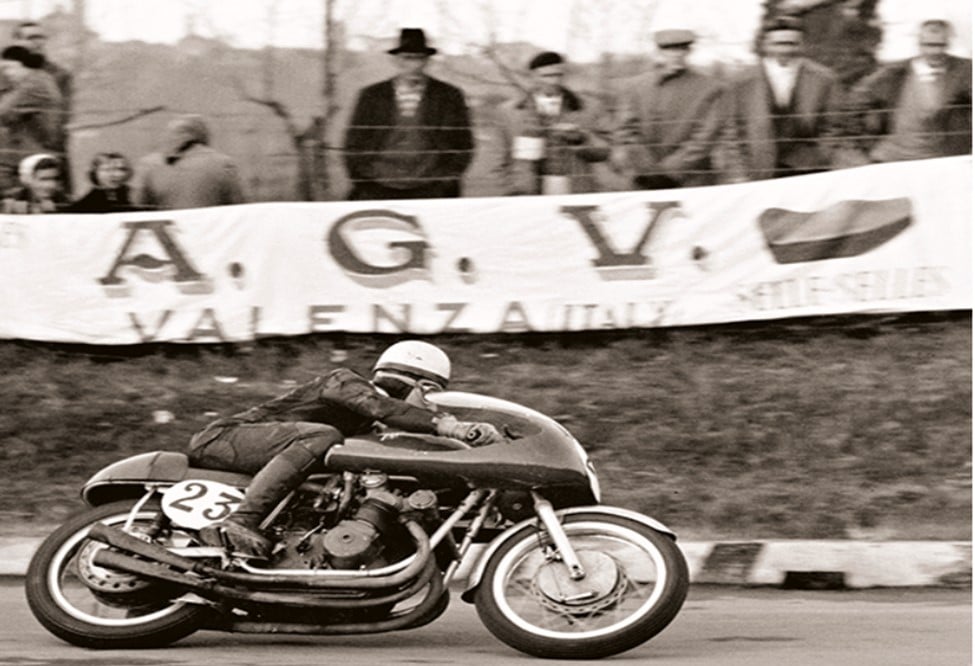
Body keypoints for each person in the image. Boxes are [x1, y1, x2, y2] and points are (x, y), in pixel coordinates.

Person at [190, 340, 505, 558]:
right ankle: (241, 520)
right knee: (322, 435)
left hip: (265, 451)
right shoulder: (344, 381)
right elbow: (381, 407)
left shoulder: (370, 424)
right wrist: (451, 425)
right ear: (418, 383)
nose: (427, 403)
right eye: (429, 393)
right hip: (224, 438)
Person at [343, 28, 474, 200]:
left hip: (432, 188)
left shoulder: (448, 96)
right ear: (397, 60)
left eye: (419, 58)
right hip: (378, 187)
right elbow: (354, 144)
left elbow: (464, 144)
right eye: (407, 58)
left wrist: (446, 180)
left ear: (427, 61)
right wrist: (365, 181)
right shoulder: (372, 95)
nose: (413, 65)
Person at [723, 15, 845, 180]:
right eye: (778, 44)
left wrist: (820, 157)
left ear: (802, 44)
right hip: (759, 172)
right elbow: (732, 133)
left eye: (792, 44)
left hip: (809, 172)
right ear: (765, 44)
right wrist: (739, 175)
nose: (785, 50)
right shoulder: (741, 82)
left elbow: (834, 126)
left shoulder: (824, 79)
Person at [614, 29, 727, 189]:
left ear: (689, 51)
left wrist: (670, 172)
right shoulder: (634, 87)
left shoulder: (712, 88)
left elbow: (706, 136)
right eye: (669, 49)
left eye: (682, 48)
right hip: (644, 180)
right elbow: (626, 131)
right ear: (658, 51)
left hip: (693, 181)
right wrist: (647, 170)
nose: (676, 54)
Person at [848, 19, 971, 163]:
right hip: (893, 157)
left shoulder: (964, 70)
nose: (935, 52)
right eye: (929, 45)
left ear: (949, 43)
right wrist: (866, 145)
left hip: (940, 160)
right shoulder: (894, 72)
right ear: (919, 43)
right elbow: (857, 101)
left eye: (940, 45)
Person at [495, 51, 609, 195]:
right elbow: (498, 162)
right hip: (527, 192)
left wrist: (581, 139)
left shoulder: (589, 107)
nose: (554, 81)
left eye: (558, 75)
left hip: (575, 189)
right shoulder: (508, 112)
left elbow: (607, 150)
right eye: (547, 76)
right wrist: (512, 191)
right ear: (533, 77)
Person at [130, 114, 245, 210]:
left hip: (167, 235)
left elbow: (136, 207)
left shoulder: (148, 165)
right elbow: (238, 209)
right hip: (209, 234)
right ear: (204, 136)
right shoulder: (224, 164)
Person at [13, 21, 72, 190]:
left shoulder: (59, 75)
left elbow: (61, 118)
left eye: (40, 37)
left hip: (47, 153)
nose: (37, 42)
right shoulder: (6, 72)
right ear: (17, 41)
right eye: (31, 37)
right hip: (10, 153)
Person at [0, 45, 62, 192]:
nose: (6, 73)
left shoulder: (34, 84)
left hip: (32, 160)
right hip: (24, 156)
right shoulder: (35, 81)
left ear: (24, 64)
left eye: (10, 67)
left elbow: (3, 111)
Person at [65, 152, 138, 213]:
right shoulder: (89, 203)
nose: (114, 174)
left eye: (121, 169)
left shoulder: (130, 196)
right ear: (95, 173)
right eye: (107, 170)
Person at [1, 152, 67, 213]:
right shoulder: (11, 198)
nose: (51, 185)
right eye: (44, 179)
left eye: (55, 179)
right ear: (28, 179)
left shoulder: (65, 201)